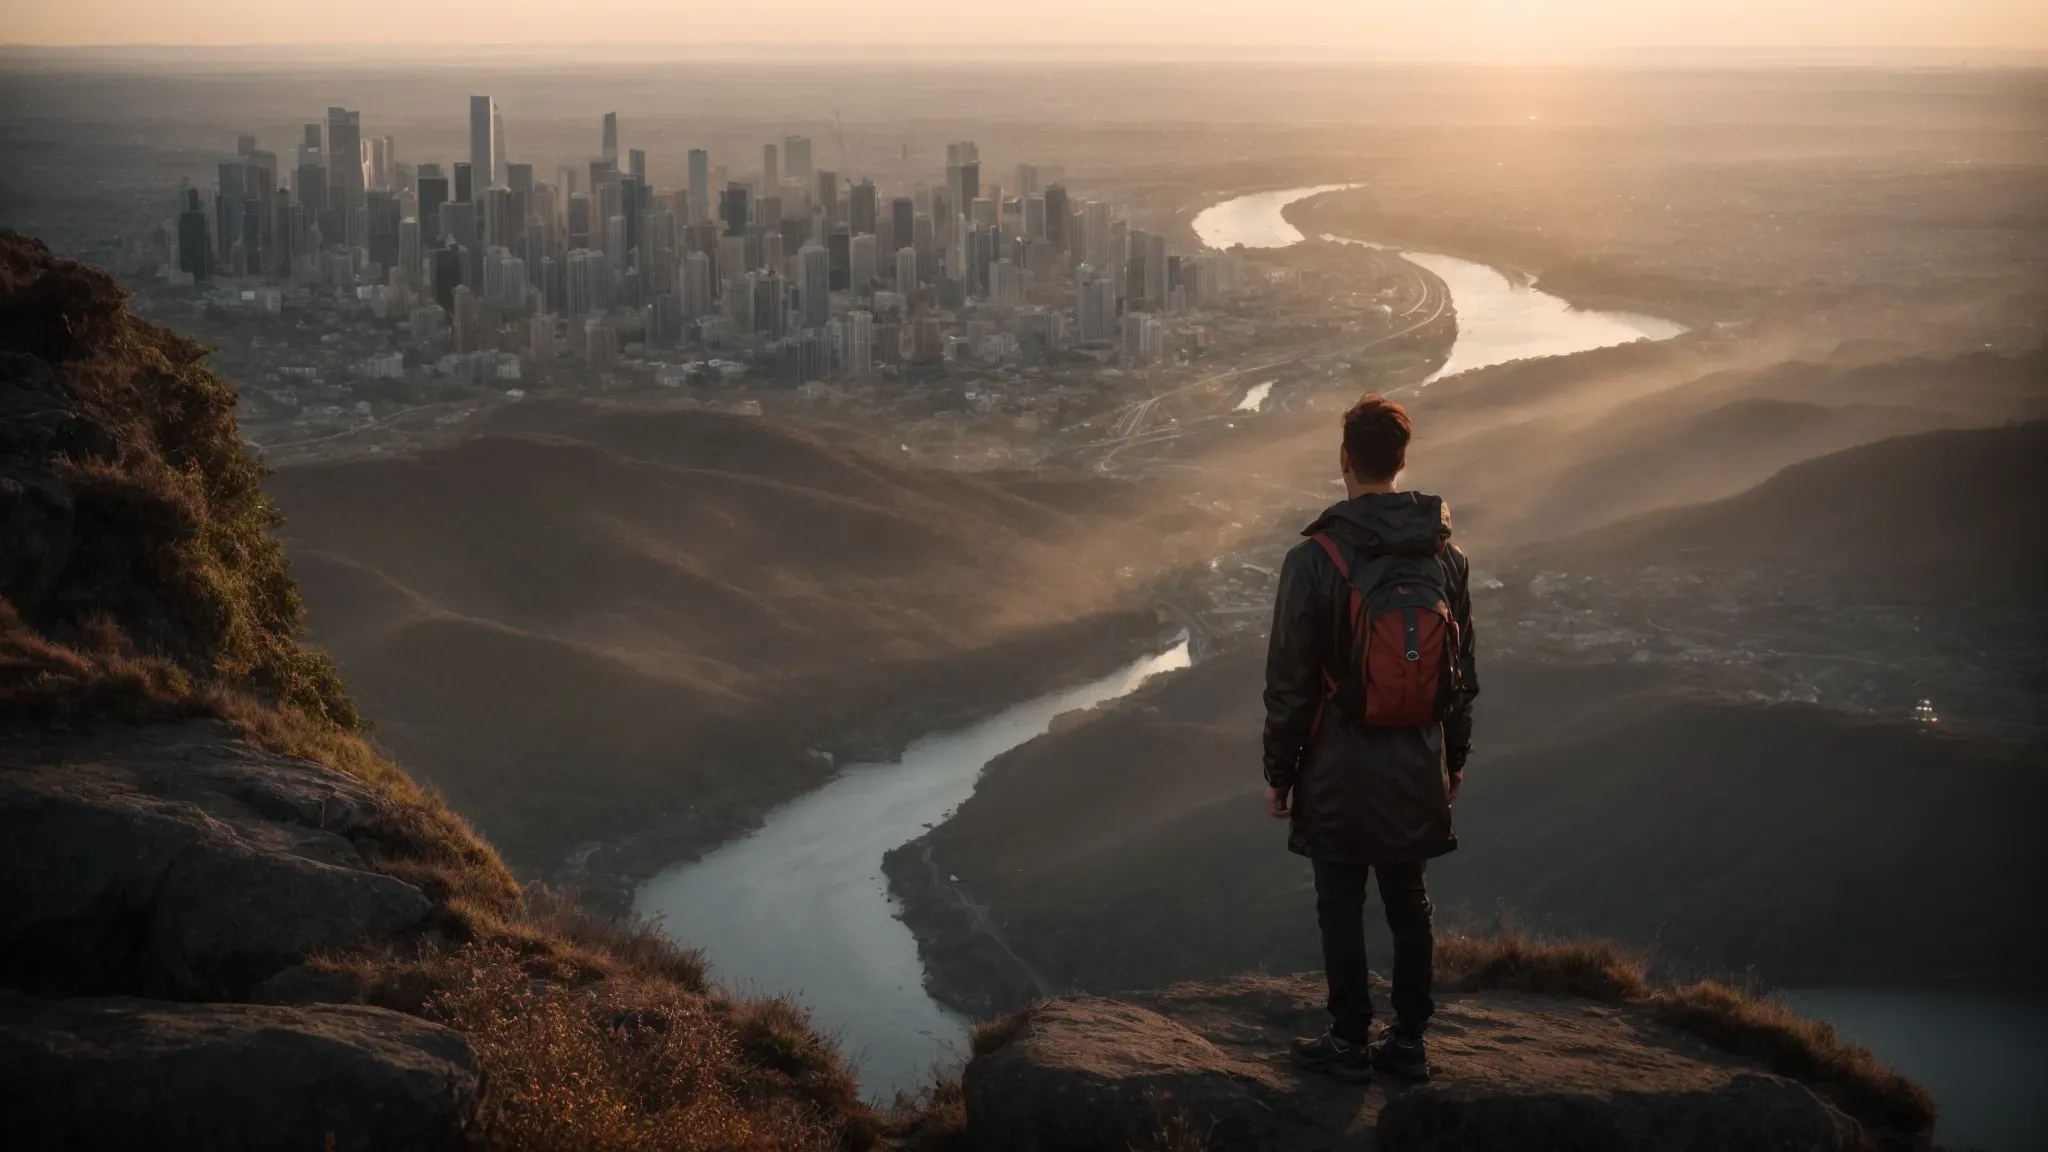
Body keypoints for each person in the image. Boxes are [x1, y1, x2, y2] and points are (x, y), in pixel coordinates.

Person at [1262, 393, 1478, 1084]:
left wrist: (1280, 770)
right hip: (1417, 757)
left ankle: (1348, 1039)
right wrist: (1455, 759)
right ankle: (1410, 1041)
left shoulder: (1314, 558)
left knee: (1340, 902)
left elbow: (1290, 681)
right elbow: (1461, 675)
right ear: (1403, 461)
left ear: (1344, 461)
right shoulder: (1446, 556)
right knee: (1408, 899)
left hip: (1337, 761)